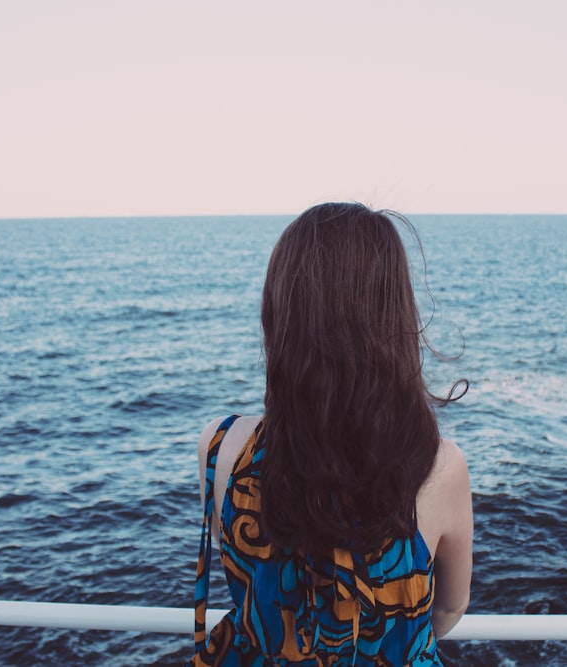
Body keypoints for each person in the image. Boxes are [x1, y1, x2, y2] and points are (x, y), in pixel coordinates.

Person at [190, 202, 473, 666]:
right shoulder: (439, 468)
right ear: (392, 319)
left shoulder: (219, 447)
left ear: (280, 314)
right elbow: (449, 607)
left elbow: (243, 573)